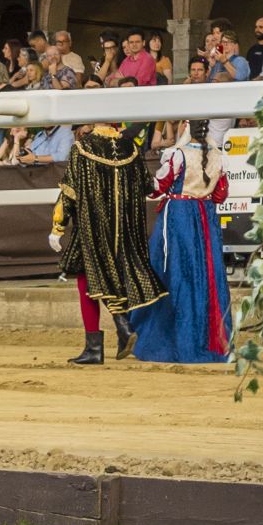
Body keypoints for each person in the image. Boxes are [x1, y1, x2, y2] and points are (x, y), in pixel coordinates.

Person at [51, 116, 165, 364]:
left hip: (92, 225)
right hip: (125, 228)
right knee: (105, 278)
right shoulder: (131, 148)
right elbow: (148, 187)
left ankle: (104, 340)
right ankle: (119, 331)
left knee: (89, 279)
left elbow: (70, 191)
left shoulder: (82, 147)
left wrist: (58, 225)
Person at [131, 121, 232, 364]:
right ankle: (211, 340)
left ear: (185, 128)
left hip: (179, 216)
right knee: (206, 276)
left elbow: (157, 188)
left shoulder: (178, 155)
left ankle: (167, 337)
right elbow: (220, 195)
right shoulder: (217, 155)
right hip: (206, 218)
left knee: (170, 272)